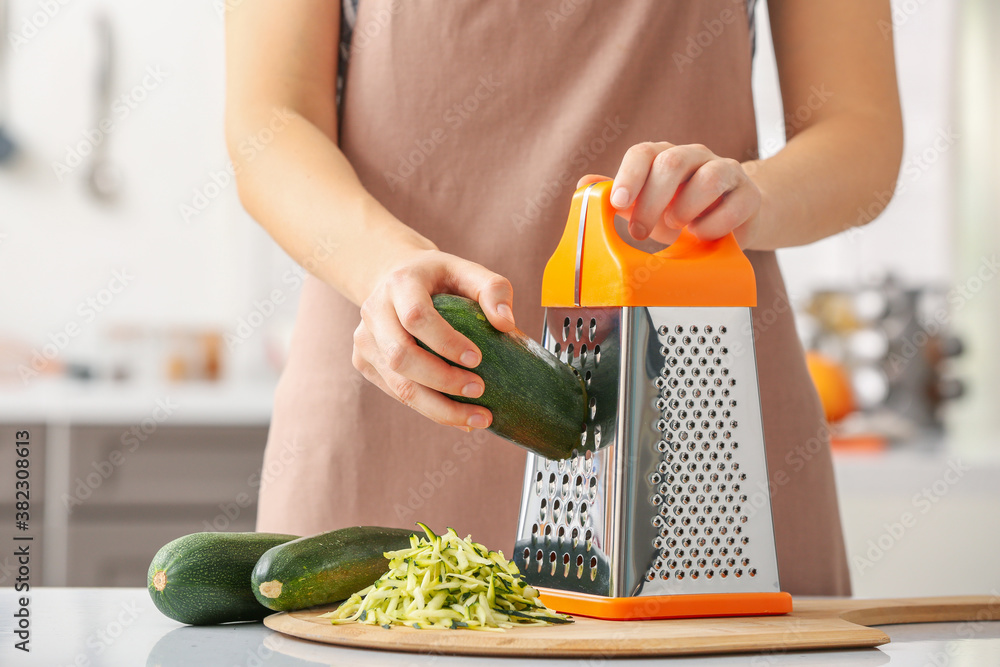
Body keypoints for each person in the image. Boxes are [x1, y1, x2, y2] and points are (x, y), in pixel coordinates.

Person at [225, 0, 902, 596]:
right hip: (388, 406)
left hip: (702, 447)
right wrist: (385, 267)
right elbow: (269, 120)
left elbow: (862, 133)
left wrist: (752, 197)